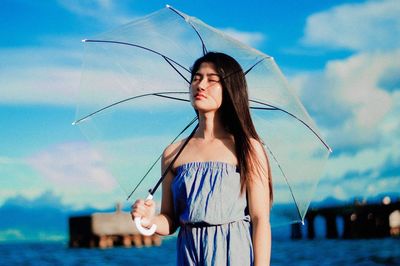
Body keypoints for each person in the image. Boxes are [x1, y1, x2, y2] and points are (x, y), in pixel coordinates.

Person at [131, 52, 273, 266]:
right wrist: (149, 220)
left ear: (230, 89)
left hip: (233, 252)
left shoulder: (247, 147)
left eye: (212, 79)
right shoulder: (173, 152)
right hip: (189, 254)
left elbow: (260, 219)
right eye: (196, 78)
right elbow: (170, 220)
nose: (201, 85)